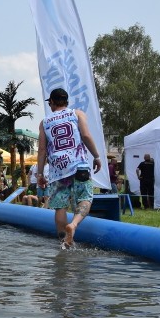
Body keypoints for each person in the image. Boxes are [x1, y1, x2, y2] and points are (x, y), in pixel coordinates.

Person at [37, 88, 103, 248]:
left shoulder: (44, 122)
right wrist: (96, 156)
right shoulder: (77, 114)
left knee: (60, 206)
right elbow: (86, 136)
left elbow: (42, 150)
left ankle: (64, 243)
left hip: (58, 171)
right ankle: (73, 225)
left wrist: (40, 173)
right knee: (85, 199)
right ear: (66, 101)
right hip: (78, 165)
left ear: (52, 102)